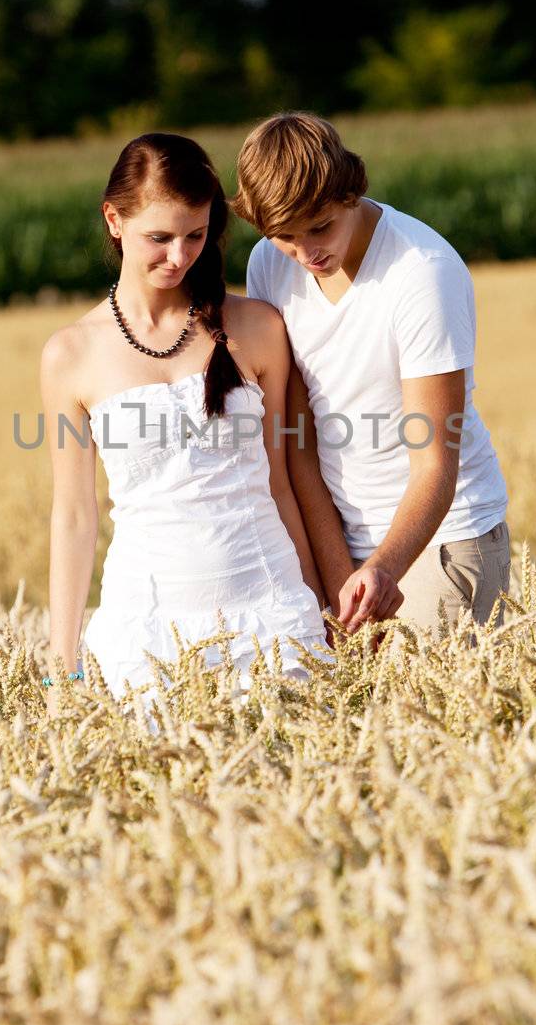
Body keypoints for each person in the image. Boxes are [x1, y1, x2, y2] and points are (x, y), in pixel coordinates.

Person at [39, 131, 332, 707]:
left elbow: (281, 481)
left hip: (271, 615)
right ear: (114, 220)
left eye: (195, 236)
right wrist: (61, 665)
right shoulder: (70, 355)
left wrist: (318, 610)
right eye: (159, 237)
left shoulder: (258, 328)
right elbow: (74, 514)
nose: (178, 257)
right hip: (146, 634)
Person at [233, 111, 510, 642]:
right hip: (343, 544)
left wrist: (383, 568)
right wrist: (342, 577)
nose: (306, 253)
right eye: (284, 235)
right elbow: (299, 442)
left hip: (443, 538)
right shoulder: (269, 263)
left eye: (319, 228)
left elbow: (435, 459)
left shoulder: (421, 272)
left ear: (349, 192)